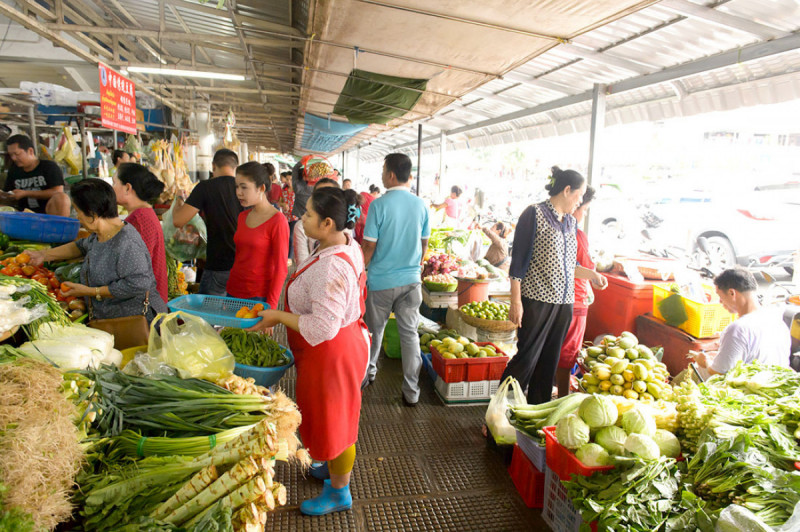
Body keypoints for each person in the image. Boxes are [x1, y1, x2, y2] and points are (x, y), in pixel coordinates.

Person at [248, 187, 369, 516]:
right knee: (330, 418)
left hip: (332, 352)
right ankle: (331, 466)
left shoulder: (332, 268)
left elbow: (322, 327)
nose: (302, 218)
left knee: (337, 425)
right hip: (335, 349)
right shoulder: (342, 242)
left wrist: (277, 316)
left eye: (309, 214)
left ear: (328, 223)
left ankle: (339, 492)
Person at [504, 167, 608, 405]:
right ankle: (500, 410)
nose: (580, 202)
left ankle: (536, 412)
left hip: (564, 305)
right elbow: (518, 262)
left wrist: (592, 275)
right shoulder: (534, 214)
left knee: (549, 363)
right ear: (567, 190)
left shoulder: (570, 222)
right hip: (537, 301)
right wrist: (516, 301)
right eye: (579, 195)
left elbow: (570, 265)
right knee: (526, 359)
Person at [25, 179, 167, 321]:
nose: (78, 217)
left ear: (92, 214)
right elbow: (81, 246)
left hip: (135, 324)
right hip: (110, 320)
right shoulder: (101, 234)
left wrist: (90, 292)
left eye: (78, 211)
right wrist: (44, 255)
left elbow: (138, 284)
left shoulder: (127, 243)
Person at [362, 153, 430, 406]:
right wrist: (415, 267)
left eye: (383, 171)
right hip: (411, 282)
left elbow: (369, 246)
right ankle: (412, 392)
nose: (382, 175)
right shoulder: (421, 205)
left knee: (373, 331)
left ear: (390, 175)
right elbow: (424, 244)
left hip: (381, 282)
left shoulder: (378, 205)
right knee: (410, 336)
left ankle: (368, 374)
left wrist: (360, 271)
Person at [690, 268, 791, 375]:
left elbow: (717, 372)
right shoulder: (777, 321)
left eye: (720, 296)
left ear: (732, 293)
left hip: (751, 385)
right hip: (778, 381)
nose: (720, 302)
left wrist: (704, 361)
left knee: (697, 370)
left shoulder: (737, 329)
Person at [173, 149, 243, 295]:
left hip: (218, 264)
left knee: (208, 309)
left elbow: (178, 220)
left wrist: (179, 199)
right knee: (237, 308)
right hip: (244, 265)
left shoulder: (205, 187)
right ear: (236, 167)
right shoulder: (245, 189)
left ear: (213, 166)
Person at [225, 162, 288, 309]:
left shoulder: (277, 221)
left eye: (244, 187)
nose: (238, 193)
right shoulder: (242, 216)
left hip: (258, 296)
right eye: (237, 187)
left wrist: (271, 307)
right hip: (233, 290)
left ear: (261, 188)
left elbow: (281, 269)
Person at [556, 186, 596, 397]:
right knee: (568, 354)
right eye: (585, 208)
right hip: (576, 300)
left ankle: (553, 394)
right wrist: (595, 276)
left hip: (559, 299)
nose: (585, 214)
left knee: (557, 349)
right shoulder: (577, 235)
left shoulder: (557, 230)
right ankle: (562, 398)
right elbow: (579, 268)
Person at [113, 163, 168, 304]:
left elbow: (136, 272)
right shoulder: (142, 214)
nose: (112, 188)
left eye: (114, 183)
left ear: (127, 188)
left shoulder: (140, 219)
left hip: (145, 305)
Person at [1, 134, 70, 216]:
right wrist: (6, 196)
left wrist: (26, 193)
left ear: (30, 151)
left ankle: (59, 224)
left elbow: (57, 191)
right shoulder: (13, 171)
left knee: (62, 198)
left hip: (48, 213)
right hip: (23, 214)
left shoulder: (49, 167)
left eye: (17, 154)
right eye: (11, 155)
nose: (13, 158)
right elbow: (8, 195)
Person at [293, 178, 340, 265]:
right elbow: (302, 265)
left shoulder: (343, 228)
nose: (324, 200)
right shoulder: (302, 226)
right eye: (319, 195)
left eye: (329, 196)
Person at [279, 171, 298, 260]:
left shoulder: (297, 191)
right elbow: (279, 202)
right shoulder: (283, 190)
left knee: (291, 237)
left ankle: (289, 257)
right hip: (285, 217)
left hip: (295, 217)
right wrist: (283, 204)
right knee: (285, 236)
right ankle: (285, 255)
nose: (289, 181)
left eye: (291, 179)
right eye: (287, 179)